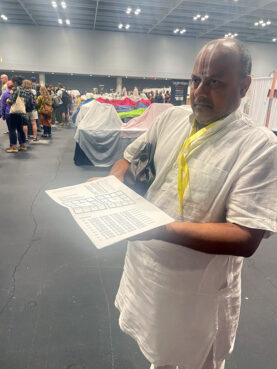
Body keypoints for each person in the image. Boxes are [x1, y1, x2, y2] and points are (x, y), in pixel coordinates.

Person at [88, 38, 277, 369]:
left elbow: (245, 238)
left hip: (199, 292)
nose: (200, 91)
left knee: (199, 359)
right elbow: (130, 162)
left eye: (215, 82)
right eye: (195, 80)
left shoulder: (259, 146)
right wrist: (111, 184)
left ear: (245, 86)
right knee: (160, 354)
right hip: (148, 273)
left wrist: (159, 229)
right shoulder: (170, 119)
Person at [6, 75, 27, 153]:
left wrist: (7, 100)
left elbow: (12, 100)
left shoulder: (16, 89)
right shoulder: (24, 89)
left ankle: (14, 147)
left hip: (14, 112)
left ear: (15, 82)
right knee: (20, 129)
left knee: (12, 130)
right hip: (21, 111)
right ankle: (23, 145)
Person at [1, 81, 23, 147]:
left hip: (9, 113)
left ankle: (13, 146)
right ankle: (22, 144)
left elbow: (3, 105)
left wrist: (3, 115)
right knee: (20, 129)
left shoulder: (5, 94)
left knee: (11, 130)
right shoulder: (20, 93)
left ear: (7, 87)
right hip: (19, 113)